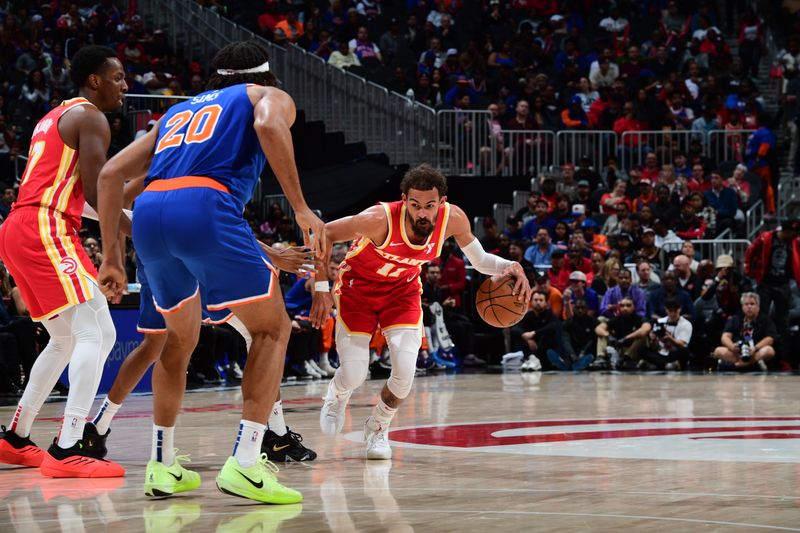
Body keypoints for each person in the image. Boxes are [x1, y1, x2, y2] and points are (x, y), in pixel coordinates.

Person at [95, 41, 325, 503]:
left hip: (151, 215)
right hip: (205, 207)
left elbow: (109, 179)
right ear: (265, 75)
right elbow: (265, 126)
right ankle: (245, 463)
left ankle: (162, 466)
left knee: (175, 341)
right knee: (273, 330)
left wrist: (112, 257)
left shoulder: (177, 113)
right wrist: (300, 208)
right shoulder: (264, 96)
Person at [317, 164, 531, 459]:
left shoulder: (452, 218)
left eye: (429, 206)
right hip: (358, 291)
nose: (422, 213)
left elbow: (480, 260)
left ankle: (378, 427)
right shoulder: (379, 219)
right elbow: (325, 233)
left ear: (441, 203)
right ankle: (337, 395)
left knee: (405, 373)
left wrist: (509, 266)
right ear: (404, 200)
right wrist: (319, 288)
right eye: (415, 205)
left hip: (401, 293)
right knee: (354, 374)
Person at [0, 46, 128, 478]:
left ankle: (16, 438)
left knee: (65, 338)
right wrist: (117, 250)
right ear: (95, 80)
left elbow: (84, 200)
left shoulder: (54, 117)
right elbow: (98, 194)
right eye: (118, 77)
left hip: (20, 225)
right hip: (45, 227)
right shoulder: (92, 117)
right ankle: (68, 446)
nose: (125, 86)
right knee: (99, 331)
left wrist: (129, 224)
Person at [713, 292, 776, 371]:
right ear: (742, 306)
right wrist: (732, 347)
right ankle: (751, 365)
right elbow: (725, 337)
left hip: (755, 352)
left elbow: (770, 338)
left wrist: (755, 348)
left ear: (758, 306)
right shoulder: (735, 319)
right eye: (746, 304)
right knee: (718, 351)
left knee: (769, 350)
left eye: (752, 304)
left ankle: (739, 365)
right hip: (737, 353)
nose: (749, 307)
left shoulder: (766, 320)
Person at [593, 296, 652, 370]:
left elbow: (645, 330)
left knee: (642, 337)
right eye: (622, 306)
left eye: (628, 305)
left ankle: (628, 359)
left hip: (635, 350)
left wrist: (626, 338)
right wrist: (609, 336)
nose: (625, 308)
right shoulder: (616, 319)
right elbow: (598, 329)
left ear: (634, 307)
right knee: (601, 335)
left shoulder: (640, 319)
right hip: (621, 349)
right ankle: (600, 358)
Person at [639, 298, 692, 370]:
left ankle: (655, 364)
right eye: (670, 311)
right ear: (666, 310)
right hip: (660, 351)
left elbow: (682, 344)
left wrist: (671, 339)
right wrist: (653, 338)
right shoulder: (659, 321)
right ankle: (667, 365)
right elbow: (654, 345)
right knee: (642, 349)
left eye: (675, 311)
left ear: (679, 309)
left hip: (674, 352)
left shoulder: (686, 324)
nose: (673, 314)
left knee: (685, 352)